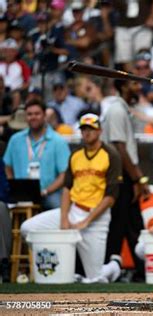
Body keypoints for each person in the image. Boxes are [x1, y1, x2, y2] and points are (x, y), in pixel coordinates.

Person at [20, 113, 122, 280]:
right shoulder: (76, 155)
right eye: (84, 129)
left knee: (95, 277)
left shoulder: (111, 154)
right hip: (74, 209)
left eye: (91, 129)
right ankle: (57, 264)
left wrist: (86, 221)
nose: (87, 132)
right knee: (28, 228)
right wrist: (64, 218)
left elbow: (111, 197)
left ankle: (112, 267)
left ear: (100, 131)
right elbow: (67, 188)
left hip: (97, 217)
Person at [101, 79, 150, 280]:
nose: (137, 87)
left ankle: (139, 270)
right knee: (123, 223)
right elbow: (120, 148)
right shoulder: (116, 110)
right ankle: (115, 267)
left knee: (129, 223)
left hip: (125, 175)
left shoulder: (122, 109)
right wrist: (138, 179)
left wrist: (138, 179)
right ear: (122, 86)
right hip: (120, 175)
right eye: (133, 84)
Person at [3, 99, 70, 209]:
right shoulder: (15, 140)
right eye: (29, 114)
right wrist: (13, 186)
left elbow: (64, 175)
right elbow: (7, 167)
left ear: (44, 115)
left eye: (37, 114)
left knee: (57, 206)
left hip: (48, 193)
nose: (33, 117)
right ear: (25, 117)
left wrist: (46, 191)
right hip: (20, 194)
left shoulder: (58, 141)